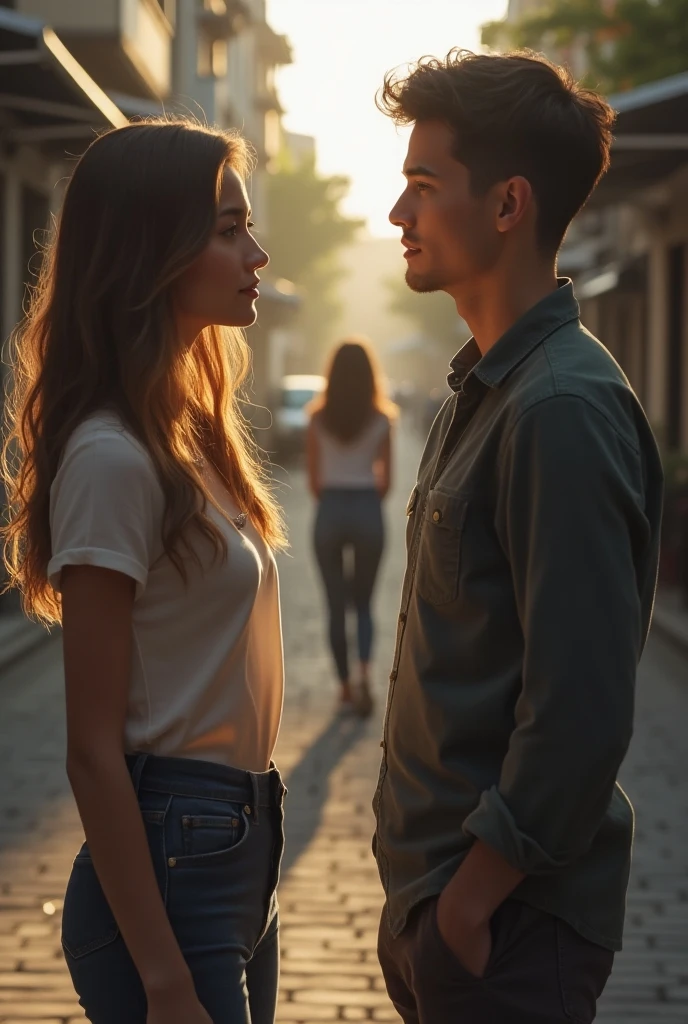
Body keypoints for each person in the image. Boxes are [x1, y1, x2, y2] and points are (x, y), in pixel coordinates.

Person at [372, 49, 664, 1023]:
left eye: (422, 185)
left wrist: (468, 901)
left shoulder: (558, 408)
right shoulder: (485, 390)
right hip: (450, 915)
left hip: (505, 930)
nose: (397, 215)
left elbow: (578, 704)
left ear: (507, 205)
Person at [1, 119, 288, 1024]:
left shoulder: (191, 436)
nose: (257, 253)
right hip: (175, 861)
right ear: (151, 249)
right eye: (228, 228)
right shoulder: (112, 456)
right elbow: (90, 749)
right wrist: (161, 977)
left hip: (237, 844)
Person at [307, 338, 396, 715]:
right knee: (364, 604)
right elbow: (387, 482)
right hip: (367, 509)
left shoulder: (317, 419)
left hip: (329, 508)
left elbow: (312, 480)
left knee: (334, 605)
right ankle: (364, 676)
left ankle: (343, 687)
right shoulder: (381, 420)